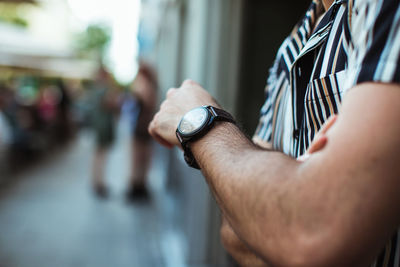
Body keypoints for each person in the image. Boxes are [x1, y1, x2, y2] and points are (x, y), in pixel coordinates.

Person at [148, 0, 400, 266]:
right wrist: (286, 204)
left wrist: (202, 122)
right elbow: (235, 231)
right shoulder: (291, 47)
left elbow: (311, 233)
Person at [126, 62, 158, 200]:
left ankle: (137, 185)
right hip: (144, 125)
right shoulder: (150, 86)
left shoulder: (143, 86)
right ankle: (139, 184)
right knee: (143, 158)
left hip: (141, 126)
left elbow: (146, 103)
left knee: (137, 157)